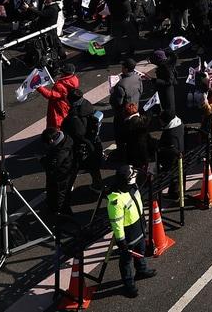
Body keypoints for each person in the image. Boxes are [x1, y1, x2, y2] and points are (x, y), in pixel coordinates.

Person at [107, 166, 154, 297]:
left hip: (139, 228)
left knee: (141, 251)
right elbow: (117, 223)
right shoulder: (115, 201)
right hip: (129, 235)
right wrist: (121, 241)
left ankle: (141, 270)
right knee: (126, 261)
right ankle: (128, 284)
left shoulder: (132, 187)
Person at [60, 87, 104, 191]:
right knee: (94, 167)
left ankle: (67, 186)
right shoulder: (87, 104)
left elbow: (79, 133)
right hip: (93, 143)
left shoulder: (75, 116)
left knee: (72, 167)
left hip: (81, 147)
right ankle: (98, 185)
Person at [39, 127, 75, 218]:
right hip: (68, 170)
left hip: (60, 175)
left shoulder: (60, 153)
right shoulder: (66, 139)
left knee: (59, 193)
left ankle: (60, 212)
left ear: (51, 141)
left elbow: (52, 165)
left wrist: (42, 160)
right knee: (61, 192)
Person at [35, 63, 80, 129]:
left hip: (58, 106)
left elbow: (50, 95)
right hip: (66, 104)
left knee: (55, 122)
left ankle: (54, 134)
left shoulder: (61, 85)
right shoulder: (74, 79)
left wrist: (39, 88)